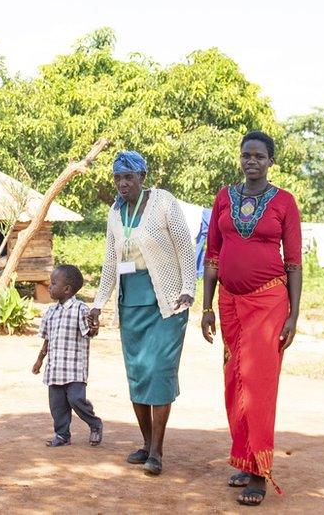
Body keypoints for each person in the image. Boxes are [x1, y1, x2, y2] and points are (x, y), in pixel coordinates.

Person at [200, 131, 302, 506]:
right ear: (240, 158)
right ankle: (244, 458)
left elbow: (293, 263)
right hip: (228, 303)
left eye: (259, 156)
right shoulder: (224, 197)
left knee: (258, 384)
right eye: (246, 155)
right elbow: (212, 255)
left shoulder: (284, 203)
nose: (252, 161)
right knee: (235, 382)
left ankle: (259, 472)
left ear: (271, 161)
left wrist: (293, 314)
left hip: (269, 304)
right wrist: (207, 306)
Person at [89, 150, 197, 476]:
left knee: (160, 374)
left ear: (142, 177)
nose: (122, 184)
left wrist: (188, 290)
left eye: (128, 177)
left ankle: (158, 452)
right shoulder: (114, 213)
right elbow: (111, 263)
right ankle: (147, 443)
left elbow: (184, 247)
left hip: (167, 304)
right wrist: (97, 303)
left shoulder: (163, 203)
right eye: (118, 178)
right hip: (131, 305)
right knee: (137, 375)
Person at [32, 265, 103, 447]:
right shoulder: (50, 312)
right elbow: (47, 339)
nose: (49, 286)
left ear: (67, 289)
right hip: (55, 369)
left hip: (74, 369)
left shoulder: (80, 309)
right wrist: (40, 360)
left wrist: (95, 326)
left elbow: (89, 332)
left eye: (54, 283)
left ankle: (95, 424)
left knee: (75, 399)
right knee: (57, 405)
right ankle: (62, 435)